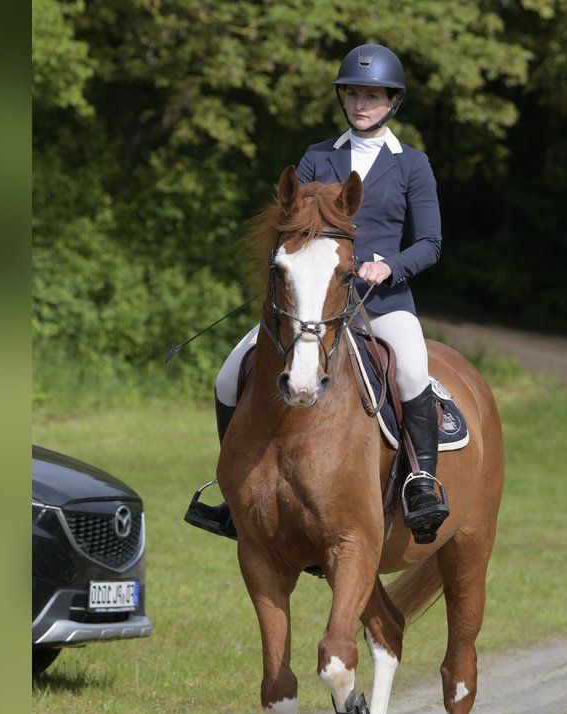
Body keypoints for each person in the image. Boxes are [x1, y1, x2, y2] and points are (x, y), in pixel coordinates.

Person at [185, 43, 448, 543]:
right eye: (353, 94)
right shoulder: (317, 156)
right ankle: (233, 494)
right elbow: (289, 225)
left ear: (393, 101)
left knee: (413, 370)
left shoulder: (412, 164)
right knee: (226, 376)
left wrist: (387, 266)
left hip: (381, 303)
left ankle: (422, 483)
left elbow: (431, 243)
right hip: (313, 303)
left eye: (372, 95)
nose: (361, 104)